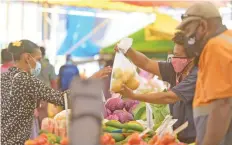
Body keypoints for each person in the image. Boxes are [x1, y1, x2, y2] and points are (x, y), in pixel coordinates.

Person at [1, 40, 111, 145]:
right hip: (16, 140)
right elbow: (62, 98)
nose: (40, 63)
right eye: (38, 59)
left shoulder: (3, 77)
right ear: (27, 57)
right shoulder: (26, 79)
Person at [116, 32, 197, 143]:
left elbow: (169, 97)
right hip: (178, 136)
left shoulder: (197, 75)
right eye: (174, 54)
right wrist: (128, 50)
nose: (174, 59)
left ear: (192, 58)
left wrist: (134, 96)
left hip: (195, 138)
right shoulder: (175, 70)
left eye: (178, 55)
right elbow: (146, 63)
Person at [177, 2, 232, 145]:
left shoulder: (215, 46)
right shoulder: (227, 41)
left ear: (203, 26)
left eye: (189, 29)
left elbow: (222, 105)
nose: (188, 37)